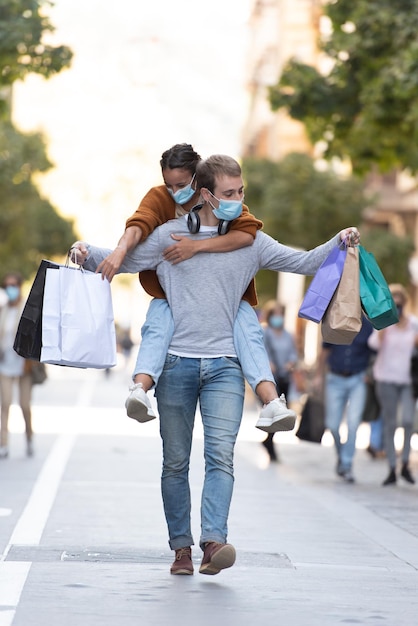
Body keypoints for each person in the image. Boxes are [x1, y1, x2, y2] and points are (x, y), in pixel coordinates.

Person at [71, 153, 360, 575]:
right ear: (205, 194)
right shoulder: (169, 236)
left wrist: (339, 240)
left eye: (241, 191)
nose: (238, 200)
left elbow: (302, 262)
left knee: (221, 457)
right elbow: (125, 259)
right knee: (175, 462)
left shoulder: (251, 241)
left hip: (225, 367)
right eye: (229, 193)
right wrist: (83, 252)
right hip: (176, 365)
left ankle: (213, 542)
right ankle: (181, 549)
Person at [94, 143, 296, 433]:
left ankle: (272, 403)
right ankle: (140, 388)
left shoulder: (226, 199)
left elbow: (247, 236)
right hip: (170, 295)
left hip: (225, 301)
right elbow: (139, 225)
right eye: (169, 185)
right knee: (158, 320)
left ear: (199, 181)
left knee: (248, 325)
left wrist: (196, 247)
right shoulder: (161, 198)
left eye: (182, 184)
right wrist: (113, 251)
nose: (175, 191)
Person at [368, 284, 418, 486]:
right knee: (390, 423)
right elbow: (372, 345)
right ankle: (391, 467)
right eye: (393, 299)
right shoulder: (383, 322)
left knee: (407, 421)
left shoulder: (414, 323)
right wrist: (382, 332)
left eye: (400, 299)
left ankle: (405, 463)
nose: (397, 303)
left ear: (405, 302)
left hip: (408, 380)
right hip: (386, 378)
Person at [315, 316, 374, 483]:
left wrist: (369, 373)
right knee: (332, 425)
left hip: (358, 379)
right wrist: (319, 376)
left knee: (353, 424)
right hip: (335, 379)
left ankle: (347, 465)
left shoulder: (368, 326)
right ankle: (341, 455)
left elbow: (374, 351)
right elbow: (325, 351)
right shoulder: (336, 322)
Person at [0, 272, 34, 459]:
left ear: (19, 286)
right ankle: (3, 443)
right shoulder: (3, 309)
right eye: (7, 286)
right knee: (5, 404)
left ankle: (29, 437)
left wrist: (29, 361)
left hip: (23, 366)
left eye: (13, 285)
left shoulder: (26, 309)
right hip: (5, 364)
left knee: (24, 405)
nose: (10, 289)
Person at [260, 301, 298, 461]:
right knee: (273, 410)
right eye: (275, 314)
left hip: (284, 377)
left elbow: (294, 353)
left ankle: (268, 441)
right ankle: (269, 443)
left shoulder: (288, 335)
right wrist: (269, 363)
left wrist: (291, 362)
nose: (278, 317)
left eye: (280, 314)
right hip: (269, 379)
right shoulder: (264, 332)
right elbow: (261, 351)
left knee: (280, 411)